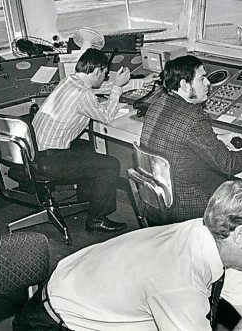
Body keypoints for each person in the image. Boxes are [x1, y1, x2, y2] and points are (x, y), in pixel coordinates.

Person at [13, 179, 242, 331]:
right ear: (239, 235)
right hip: (52, 322)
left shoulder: (213, 236)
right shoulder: (179, 279)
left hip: (85, 286)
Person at [32, 48, 156, 233]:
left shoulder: (70, 81)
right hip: (50, 158)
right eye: (105, 74)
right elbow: (106, 116)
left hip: (34, 150)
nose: (106, 78)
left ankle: (87, 199)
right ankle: (96, 219)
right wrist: (117, 88)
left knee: (85, 147)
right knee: (110, 165)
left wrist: (139, 82)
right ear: (97, 71)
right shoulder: (84, 95)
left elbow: (100, 87)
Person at [140, 54, 242, 222]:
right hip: (187, 207)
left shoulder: (158, 103)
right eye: (202, 79)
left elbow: (177, 135)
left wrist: (218, 137)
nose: (208, 83)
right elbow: (228, 164)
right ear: (184, 85)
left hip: (157, 201)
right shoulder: (194, 118)